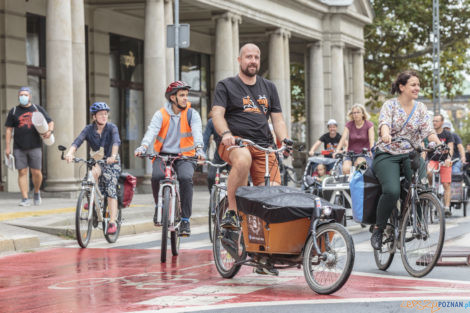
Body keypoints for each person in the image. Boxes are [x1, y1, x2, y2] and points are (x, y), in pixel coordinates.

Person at [211, 43, 292, 229]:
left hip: (264, 145)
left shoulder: (269, 87)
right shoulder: (226, 85)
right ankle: (231, 212)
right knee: (243, 158)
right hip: (237, 142)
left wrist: (285, 140)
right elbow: (217, 114)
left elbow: (278, 120)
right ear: (240, 60)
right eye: (248, 57)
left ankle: (260, 240)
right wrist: (226, 134)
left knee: (272, 193)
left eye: (256, 57)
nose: (253, 61)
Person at [370, 70, 441, 250]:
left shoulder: (421, 108)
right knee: (392, 191)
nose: (417, 88)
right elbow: (384, 123)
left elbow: (429, 131)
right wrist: (385, 134)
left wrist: (439, 144)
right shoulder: (390, 105)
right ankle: (379, 228)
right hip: (388, 154)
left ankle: (415, 222)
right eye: (413, 85)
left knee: (422, 187)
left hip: (410, 154)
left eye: (418, 85)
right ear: (402, 87)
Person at [134, 81, 205, 236]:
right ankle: (159, 206)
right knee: (156, 177)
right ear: (173, 98)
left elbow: (197, 132)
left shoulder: (192, 114)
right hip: (163, 154)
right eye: (182, 95)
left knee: (186, 179)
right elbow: (151, 131)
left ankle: (185, 219)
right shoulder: (161, 114)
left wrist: (199, 149)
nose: (186, 98)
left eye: (186, 95)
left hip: (185, 156)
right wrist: (143, 147)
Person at [64, 102, 121, 234]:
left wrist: (113, 155)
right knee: (90, 176)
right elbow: (78, 141)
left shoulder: (112, 128)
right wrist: (70, 153)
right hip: (98, 161)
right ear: (94, 117)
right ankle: (91, 201)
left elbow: (116, 142)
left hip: (112, 161)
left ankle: (112, 221)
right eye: (101, 114)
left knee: (110, 187)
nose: (104, 116)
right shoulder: (89, 129)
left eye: (106, 114)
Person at [4, 87, 54, 206]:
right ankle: (25, 198)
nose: (23, 97)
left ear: (30, 96)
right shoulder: (14, 111)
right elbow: (8, 130)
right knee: (22, 172)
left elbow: (50, 122)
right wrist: (7, 147)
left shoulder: (37, 109)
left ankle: (36, 192)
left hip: (35, 146)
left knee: (36, 172)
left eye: (25, 95)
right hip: (18, 147)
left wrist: (49, 131)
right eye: (21, 95)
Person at [426, 114, 454, 217]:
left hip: (444, 161)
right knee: (428, 172)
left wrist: (449, 158)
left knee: (446, 184)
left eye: (437, 121)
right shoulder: (430, 134)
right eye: (433, 121)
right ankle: (430, 186)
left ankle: (446, 208)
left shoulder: (447, 134)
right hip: (433, 160)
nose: (434, 123)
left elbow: (450, 147)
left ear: (442, 122)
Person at [334, 104, 374, 174]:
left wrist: (371, 149)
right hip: (351, 154)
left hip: (364, 154)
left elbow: (371, 139)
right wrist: (337, 150)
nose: (356, 114)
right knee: (345, 169)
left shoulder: (369, 124)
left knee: (360, 166)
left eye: (358, 112)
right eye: (354, 113)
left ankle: (359, 183)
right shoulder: (349, 124)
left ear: (362, 114)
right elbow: (343, 138)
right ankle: (349, 184)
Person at [203, 117, 228, 193]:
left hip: (234, 157)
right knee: (211, 177)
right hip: (219, 156)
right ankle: (213, 201)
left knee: (242, 179)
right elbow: (205, 139)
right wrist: (202, 153)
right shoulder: (212, 122)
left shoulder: (236, 119)